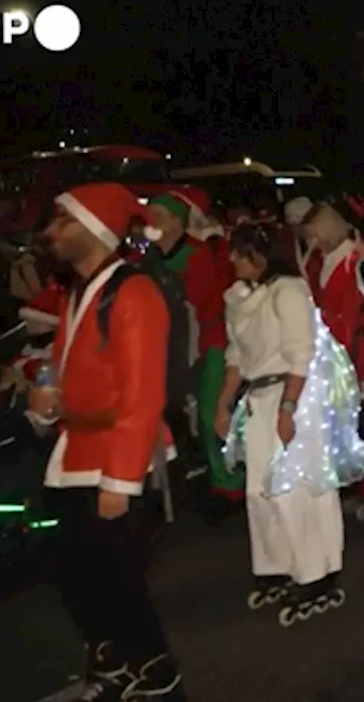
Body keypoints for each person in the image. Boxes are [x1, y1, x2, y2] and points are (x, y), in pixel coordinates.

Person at [25, 182, 184, 701]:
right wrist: (46, 393)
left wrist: (120, 481)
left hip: (117, 459)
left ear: (93, 229)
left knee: (120, 585)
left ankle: (158, 677)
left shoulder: (133, 291)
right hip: (76, 453)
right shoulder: (79, 291)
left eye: (63, 222)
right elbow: (65, 361)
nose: (51, 232)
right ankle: (112, 663)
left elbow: (143, 396)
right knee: (75, 574)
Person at [212, 223, 364, 627]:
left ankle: (317, 571)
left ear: (261, 254)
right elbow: (236, 356)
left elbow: (301, 354)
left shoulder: (289, 291)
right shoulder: (239, 298)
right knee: (259, 491)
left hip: (293, 399)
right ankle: (277, 563)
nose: (232, 260)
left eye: (240, 252)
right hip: (259, 398)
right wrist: (224, 404)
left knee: (297, 489)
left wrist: (287, 409)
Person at [145, 193, 241, 505]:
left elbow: (199, 302)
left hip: (207, 343)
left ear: (176, 221)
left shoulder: (198, 255)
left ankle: (228, 480)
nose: (151, 222)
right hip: (170, 346)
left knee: (209, 413)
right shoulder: (150, 258)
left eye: (157, 215)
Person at [300, 201, 364, 350]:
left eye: (313, 236)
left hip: (345, 341)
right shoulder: (323, 258)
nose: (311, 243)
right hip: (326, 339)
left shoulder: (352, 259)